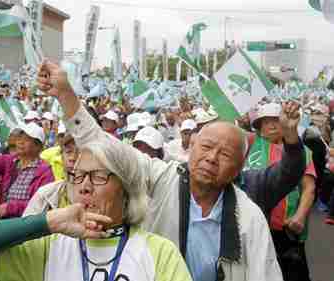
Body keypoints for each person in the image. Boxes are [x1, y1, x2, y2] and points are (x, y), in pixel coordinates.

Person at [36, 60, 307, 281]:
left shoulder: (248, 217)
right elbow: (106, 148)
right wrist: (66, 95)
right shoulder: (161, 178)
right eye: (207, 146)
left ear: (238, 168)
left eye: (224, 154)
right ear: (192, 147)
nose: (211, 158)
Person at [0, 146, 193, 281]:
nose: (84, 186)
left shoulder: (158, 251)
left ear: (126, 187)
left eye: (98, 176)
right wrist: (48, 221)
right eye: (77, 176)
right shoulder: (48, 245)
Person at [247, 103, 316, 281]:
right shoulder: (249, 145)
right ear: (259, 127)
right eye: (265, 121)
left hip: (287, 229)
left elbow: (309, 188)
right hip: (256, 228)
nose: (271, 125)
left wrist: (299, 216)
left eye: (275, 120)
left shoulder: (301, 151)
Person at [0, 122, 55, 218]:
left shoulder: (45, 172)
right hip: (5, 221)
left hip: (27, 225)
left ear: (38, 146)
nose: (20, 142)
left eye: (27, 139)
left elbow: (40, 205)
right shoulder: (9, 161)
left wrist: (10, 208)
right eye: (19, 138)